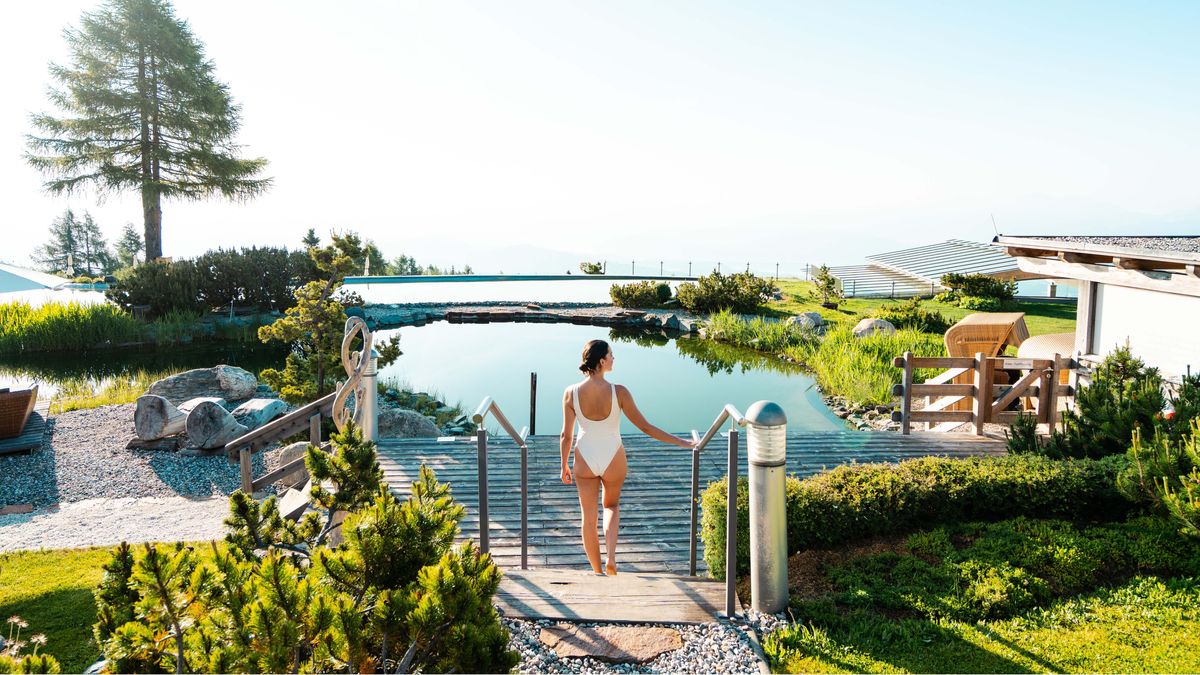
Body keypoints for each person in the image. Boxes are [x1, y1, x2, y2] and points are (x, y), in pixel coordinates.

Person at [560, 339, 694, 575]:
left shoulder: (571, 392)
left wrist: (563, 465)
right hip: (613, 455)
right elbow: (646, 427)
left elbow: (566, 435)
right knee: (611, 506)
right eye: (611, 354)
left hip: (585, 456)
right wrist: (682, 442)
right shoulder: (619, 392)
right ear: (602, 361)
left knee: (588, 518)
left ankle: (597, 572)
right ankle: (611, 558)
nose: (614, 358)